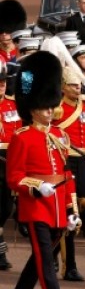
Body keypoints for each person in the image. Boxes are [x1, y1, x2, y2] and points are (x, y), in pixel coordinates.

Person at [5, 51, 78, 289]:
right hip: (36, 207)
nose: (50, 110)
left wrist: (72, 209)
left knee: (39, 259)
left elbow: (67, 173)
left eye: (51, 106)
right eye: (45, 106)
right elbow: (14, 177)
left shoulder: (61, 135)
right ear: (33, 106)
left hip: (58, 206)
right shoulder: (21, 138)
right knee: (47, 265)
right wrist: (37, 187)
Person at [54, 61, 85, 282]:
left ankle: (53, 255)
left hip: (82, 161)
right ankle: (69, 264)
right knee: (70, 212)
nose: (77, 88)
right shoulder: (57, 108)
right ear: (63, 87)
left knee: (82, 210)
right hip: (64, 162)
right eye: (72, 85)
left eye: (79, 84)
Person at [0, 61, 21, 270]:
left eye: (4, 82)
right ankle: (0, 253)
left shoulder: (12, 105)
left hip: (8, 156)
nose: (1, 86)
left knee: (6, 206)